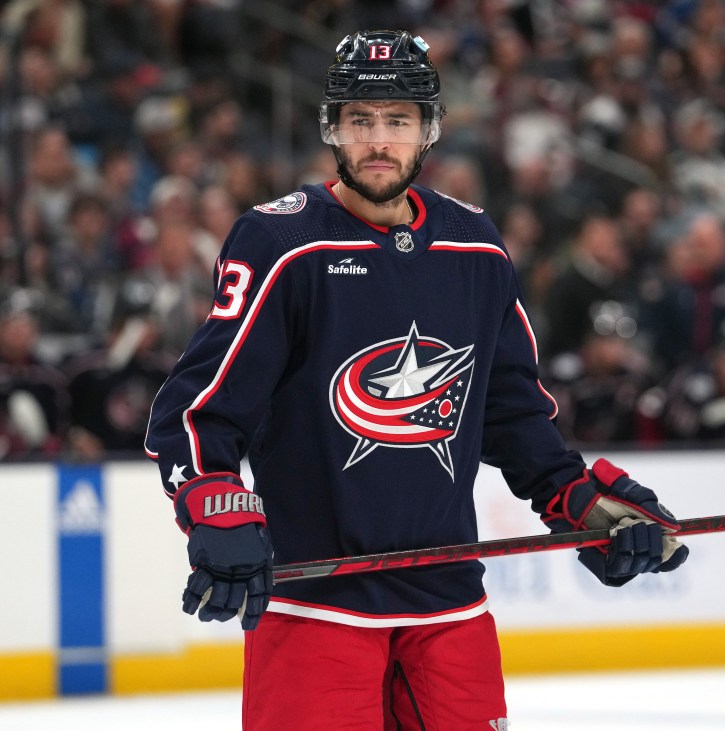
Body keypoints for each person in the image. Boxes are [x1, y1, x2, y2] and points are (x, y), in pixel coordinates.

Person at [144, 30, 687, 731]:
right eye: (360, 120)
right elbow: (197, 410)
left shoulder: (477, 248)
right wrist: (213, 501)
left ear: (427, 131)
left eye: (397, 121)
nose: (378, 140)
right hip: (318, 610)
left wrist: (579, 501)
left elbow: (512, 414)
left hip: (449, 608)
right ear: (332, 128)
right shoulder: (283, 243)